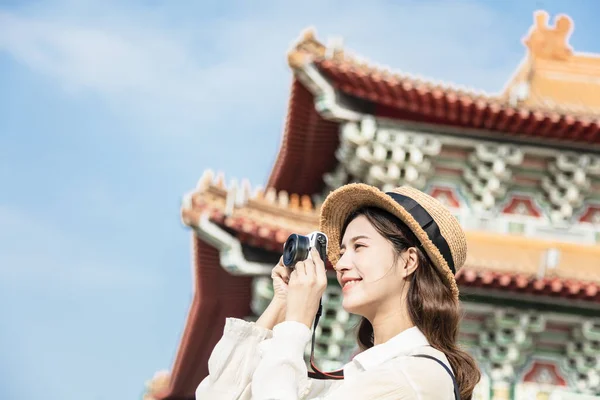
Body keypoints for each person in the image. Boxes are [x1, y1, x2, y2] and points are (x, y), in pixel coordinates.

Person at [196, 183, 481, 399]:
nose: (341, 264)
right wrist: (282, 303)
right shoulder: (359, 377)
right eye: (342, 251)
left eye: (359, 246)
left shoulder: (414, 377)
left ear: (408, 261)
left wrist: (296, 325)